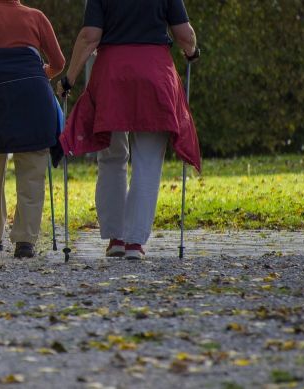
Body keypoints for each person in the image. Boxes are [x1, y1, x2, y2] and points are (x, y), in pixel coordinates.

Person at [57, 0, 201, 260]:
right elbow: (184, 34)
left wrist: (70, 78)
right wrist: (191, 51)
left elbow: (90, 37)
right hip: (155, 75)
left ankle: (116, 238)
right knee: (147, 161)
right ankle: (135, 242)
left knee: (111, 156)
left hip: (112, 75)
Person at [0, 0, 66, 259]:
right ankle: (25, 240)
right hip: (34, 96)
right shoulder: (37, 17)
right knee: (33, 171)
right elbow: (59, 62)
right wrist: (44, 72)